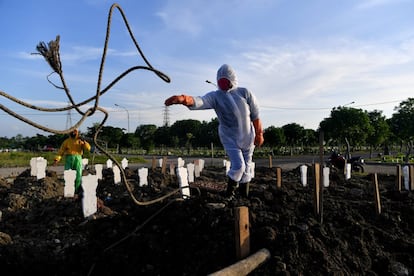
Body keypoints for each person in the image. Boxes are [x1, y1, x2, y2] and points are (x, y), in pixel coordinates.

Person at [165, 64, 264, 198]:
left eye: (226, 81)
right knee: (239, 166)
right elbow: (201, 100)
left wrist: (259, 134)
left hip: (248, 138)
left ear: (232, 80)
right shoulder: (216, 96)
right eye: (220, 81)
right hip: (230, 138)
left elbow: (255, 115)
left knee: (247, 169)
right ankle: (229, 195)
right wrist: (185, 99)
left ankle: (243, 197)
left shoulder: (244, 93)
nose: (222, 84)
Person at [53, 129, 91, 197]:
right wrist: (57, 159)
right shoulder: (66, 141)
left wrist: (84, 142)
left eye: (74, 132)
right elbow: (61, 151)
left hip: (78, 158)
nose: (73, 133)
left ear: (77, 133)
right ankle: (68, 190)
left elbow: (88, 148)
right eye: (71, 132)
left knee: (78, 175)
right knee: (68, 174)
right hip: (69, 158)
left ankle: (76, 191)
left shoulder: (80, 141)